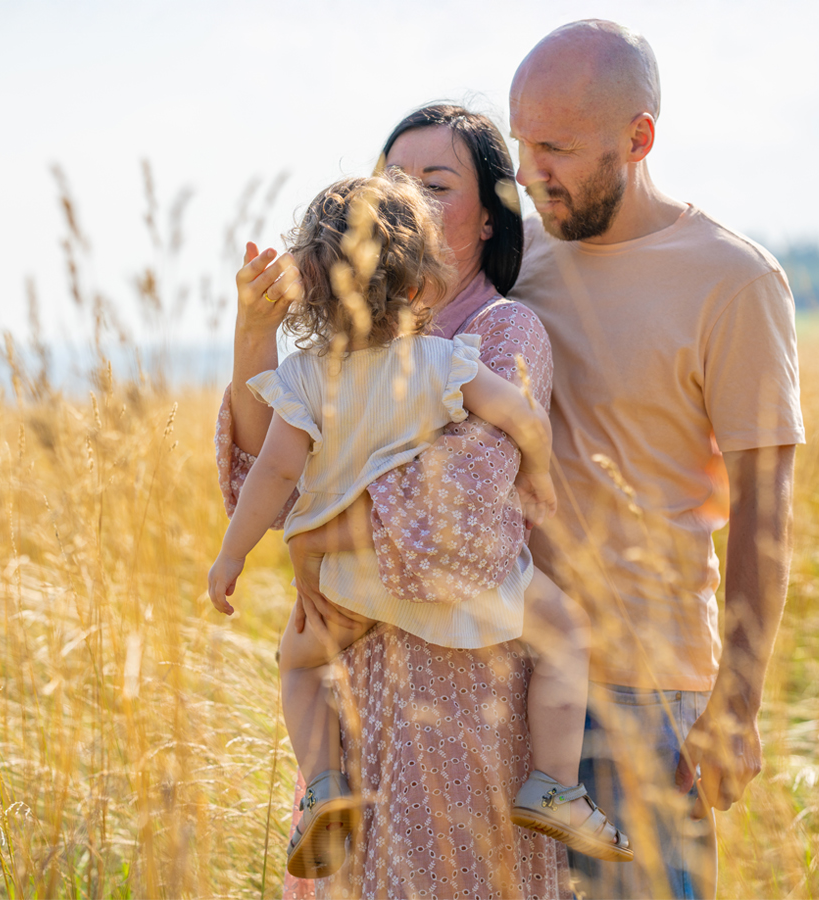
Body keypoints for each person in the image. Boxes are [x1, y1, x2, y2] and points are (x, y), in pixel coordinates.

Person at [206, 171, 630, 880]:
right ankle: (556, 787)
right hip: (456, 589)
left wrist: (232, 557)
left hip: (344, 589)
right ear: (418, 285)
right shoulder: (442, 361)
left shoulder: (306, 380)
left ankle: (321, 787)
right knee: (563, 636)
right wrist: (539, 473)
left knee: (299, 666)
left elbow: (273, 478)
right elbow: (522, 419)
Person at [506, 20, 804, 899]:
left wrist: (737, 706)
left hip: (647, 698)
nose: (530, 172)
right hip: (503, 675)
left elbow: (766, 508)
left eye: (555, 147)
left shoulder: (733, 281)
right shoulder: (514, 257)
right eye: (523, 143)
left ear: (638, 139)